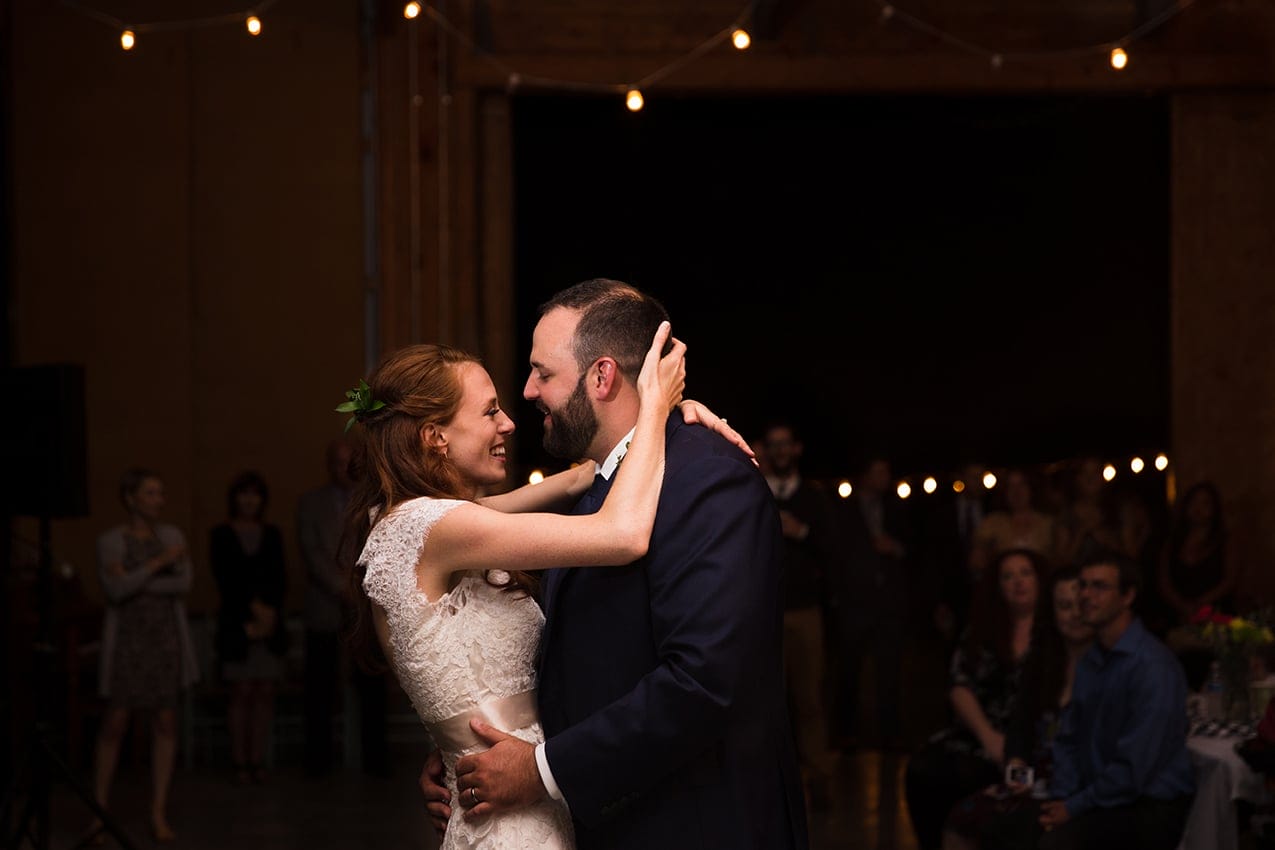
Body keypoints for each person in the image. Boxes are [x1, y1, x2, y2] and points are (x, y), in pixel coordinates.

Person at [416, 279, 808, 850]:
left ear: (601, 377)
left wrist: (542, 769)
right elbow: (579, 663)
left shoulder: (708, 479)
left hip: (694, 827)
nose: (527, 392)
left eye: (542, 373)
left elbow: (703, 682)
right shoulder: (598, 488)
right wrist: (466, 753)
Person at [1033, 551, 1195, 850]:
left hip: (1147, 805)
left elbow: (1133, 770)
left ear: (1127, 596)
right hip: (1099, 795)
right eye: (1083, 585)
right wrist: (1062, 797)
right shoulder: (1092, 659)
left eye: (1099, 586)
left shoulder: (1152, 666)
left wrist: (1074, 807)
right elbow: (1069, 738)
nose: (1086, 595)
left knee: (1055, 844)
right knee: (1006, 829)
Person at [942, 565, 1094, 850]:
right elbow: (1019, 730)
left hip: (1077, 788)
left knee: (1018, 831)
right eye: (1064, 606)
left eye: (1081, 605)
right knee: (962, 816)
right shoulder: (1042, 663)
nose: (1074, 614)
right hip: (1033, 778)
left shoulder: (1110, 667)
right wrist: (1015, 765)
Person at [904, 547, 1045, 850]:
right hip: (980, 731)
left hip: (1029, 738)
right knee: (923, 769)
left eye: (1025, 574)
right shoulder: (984, 629)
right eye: (1008, 576)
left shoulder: (1054, 632)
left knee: (973, 777)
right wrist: (987, 736)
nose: (1017, 582)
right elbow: (959, 684)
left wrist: (1010, 744)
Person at [90, 468, 199, 843]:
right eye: (151, 493)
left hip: (164, 639)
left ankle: (158, 810)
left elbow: (182, 582)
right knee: (115, 722)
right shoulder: (111, 540)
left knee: (166, 722)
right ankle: (99, 810)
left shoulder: (171, 536)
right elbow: (117, 589)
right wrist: (158, 564)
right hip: (127, 642)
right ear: (131, 498)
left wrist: (143, 576)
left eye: (161, 493)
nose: (159, 500)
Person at [760, 420, 840, 809]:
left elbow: (835, 548)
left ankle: (821, 781)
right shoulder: (756, 491)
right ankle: (771, 784)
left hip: (806, 611)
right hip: (764, 614)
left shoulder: (813, 496)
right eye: (772, 444)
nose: (779, 450)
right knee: (767, 701)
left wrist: (801, 532)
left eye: (785, 444)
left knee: (810, 699)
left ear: (796, 448)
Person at [830, 451, 913, 751]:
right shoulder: (844, 509)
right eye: (877, 472)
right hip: (855, 602)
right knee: (849, 669)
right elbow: (836, 553)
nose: (883, 478)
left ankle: (890, 733)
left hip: (888, 602)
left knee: (889, 670)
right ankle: (846, 732)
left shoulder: (897, 506)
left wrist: (895, 548)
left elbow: (914, 547)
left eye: (886, 472)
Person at [210, 470, 288, 784]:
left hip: (270, 625)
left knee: (264, 692)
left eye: (255, 494)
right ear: (234, 498)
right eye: (243, 493)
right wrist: (252, 610)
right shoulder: (221, 534)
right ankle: (240, 762)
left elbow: (281, 577)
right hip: (234, 623)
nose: (249, 500)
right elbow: (225, 577)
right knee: (240, 692)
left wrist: (267, 614)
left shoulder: (272, 534)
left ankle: (258, 760)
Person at [296, 436, 356, 775]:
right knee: (319, 686)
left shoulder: (371, 501)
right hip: (324, 607)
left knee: (370, 684)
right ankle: (318, 760)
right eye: (334, 462)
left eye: (346, 462)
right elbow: (311, 552)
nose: (340, 469)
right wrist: (340, 587)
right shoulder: (310, 503)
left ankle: (373, 759)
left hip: (365, 608)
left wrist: (359, 591)